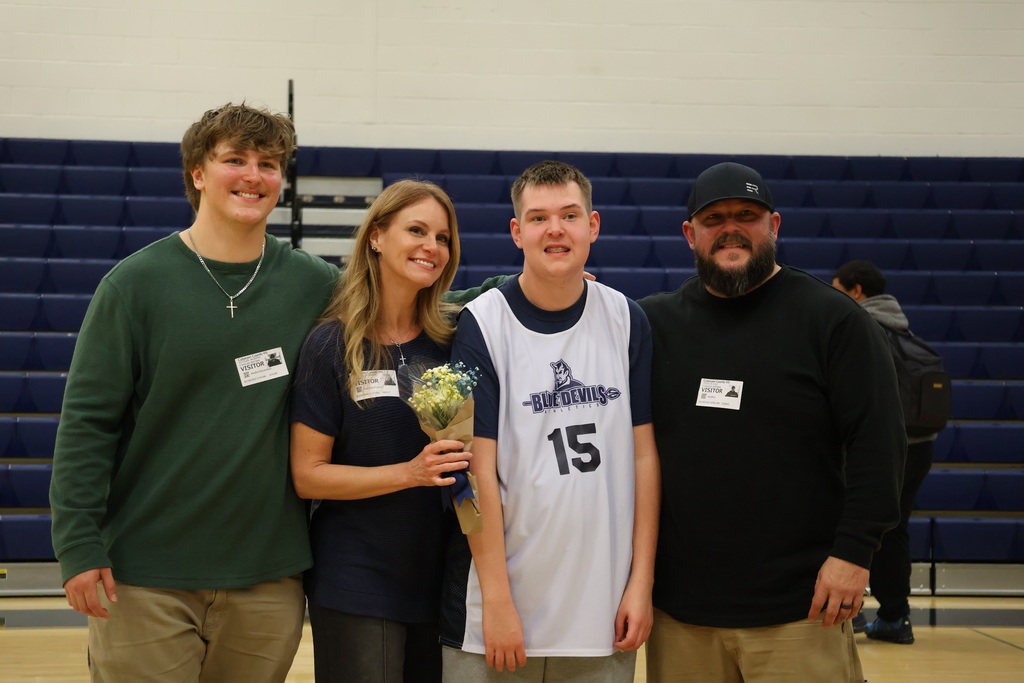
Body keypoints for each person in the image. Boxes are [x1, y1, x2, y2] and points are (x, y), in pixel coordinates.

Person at [48, 103, 503, 682]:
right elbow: (88, 426)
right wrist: (78, 547)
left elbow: (402, 293)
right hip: (148, 572)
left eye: (268, 163)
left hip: (268, 579)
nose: (253, 175)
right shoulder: (133, 287)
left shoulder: (309, 283)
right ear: (197, 173)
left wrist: (513, 287)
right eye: (234, 159)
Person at [638, 162, 906, 683]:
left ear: (774, 226)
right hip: (681, 614)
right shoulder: (653, 323)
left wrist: (854, 552)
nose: (730, 228)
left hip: (801, 609)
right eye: (714, 218)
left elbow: (880, 443)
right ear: (690, 235)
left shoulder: (834, 321)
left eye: (747, 215)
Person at [440, 160, 661, 683]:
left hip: (602, 614)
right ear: (517, 232)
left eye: (569, 215)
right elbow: (477, 473)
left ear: (594, 225)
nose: (555, 229)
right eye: (538, 218)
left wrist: (641, 582)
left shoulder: (627, 319)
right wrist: (496, 602)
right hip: (496, 614)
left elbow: (644, 457)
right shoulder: (483, 323)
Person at [289, 180, 472, 682]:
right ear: (376, 236)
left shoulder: (452, 341)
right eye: (416, 230)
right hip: (358, 579)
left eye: (443, 237)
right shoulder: (332, 344)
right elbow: (309, 475)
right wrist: (410, 473)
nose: (431, 247)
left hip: (441, 578)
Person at [833, 259, 933, 645]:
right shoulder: (902, 327)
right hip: (919, 448)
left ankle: (849, 612)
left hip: (874, 450)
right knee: (894, 531)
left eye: (838, 288)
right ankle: (895, 617)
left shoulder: (862, 327)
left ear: (857, 291)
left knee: (851, 525)